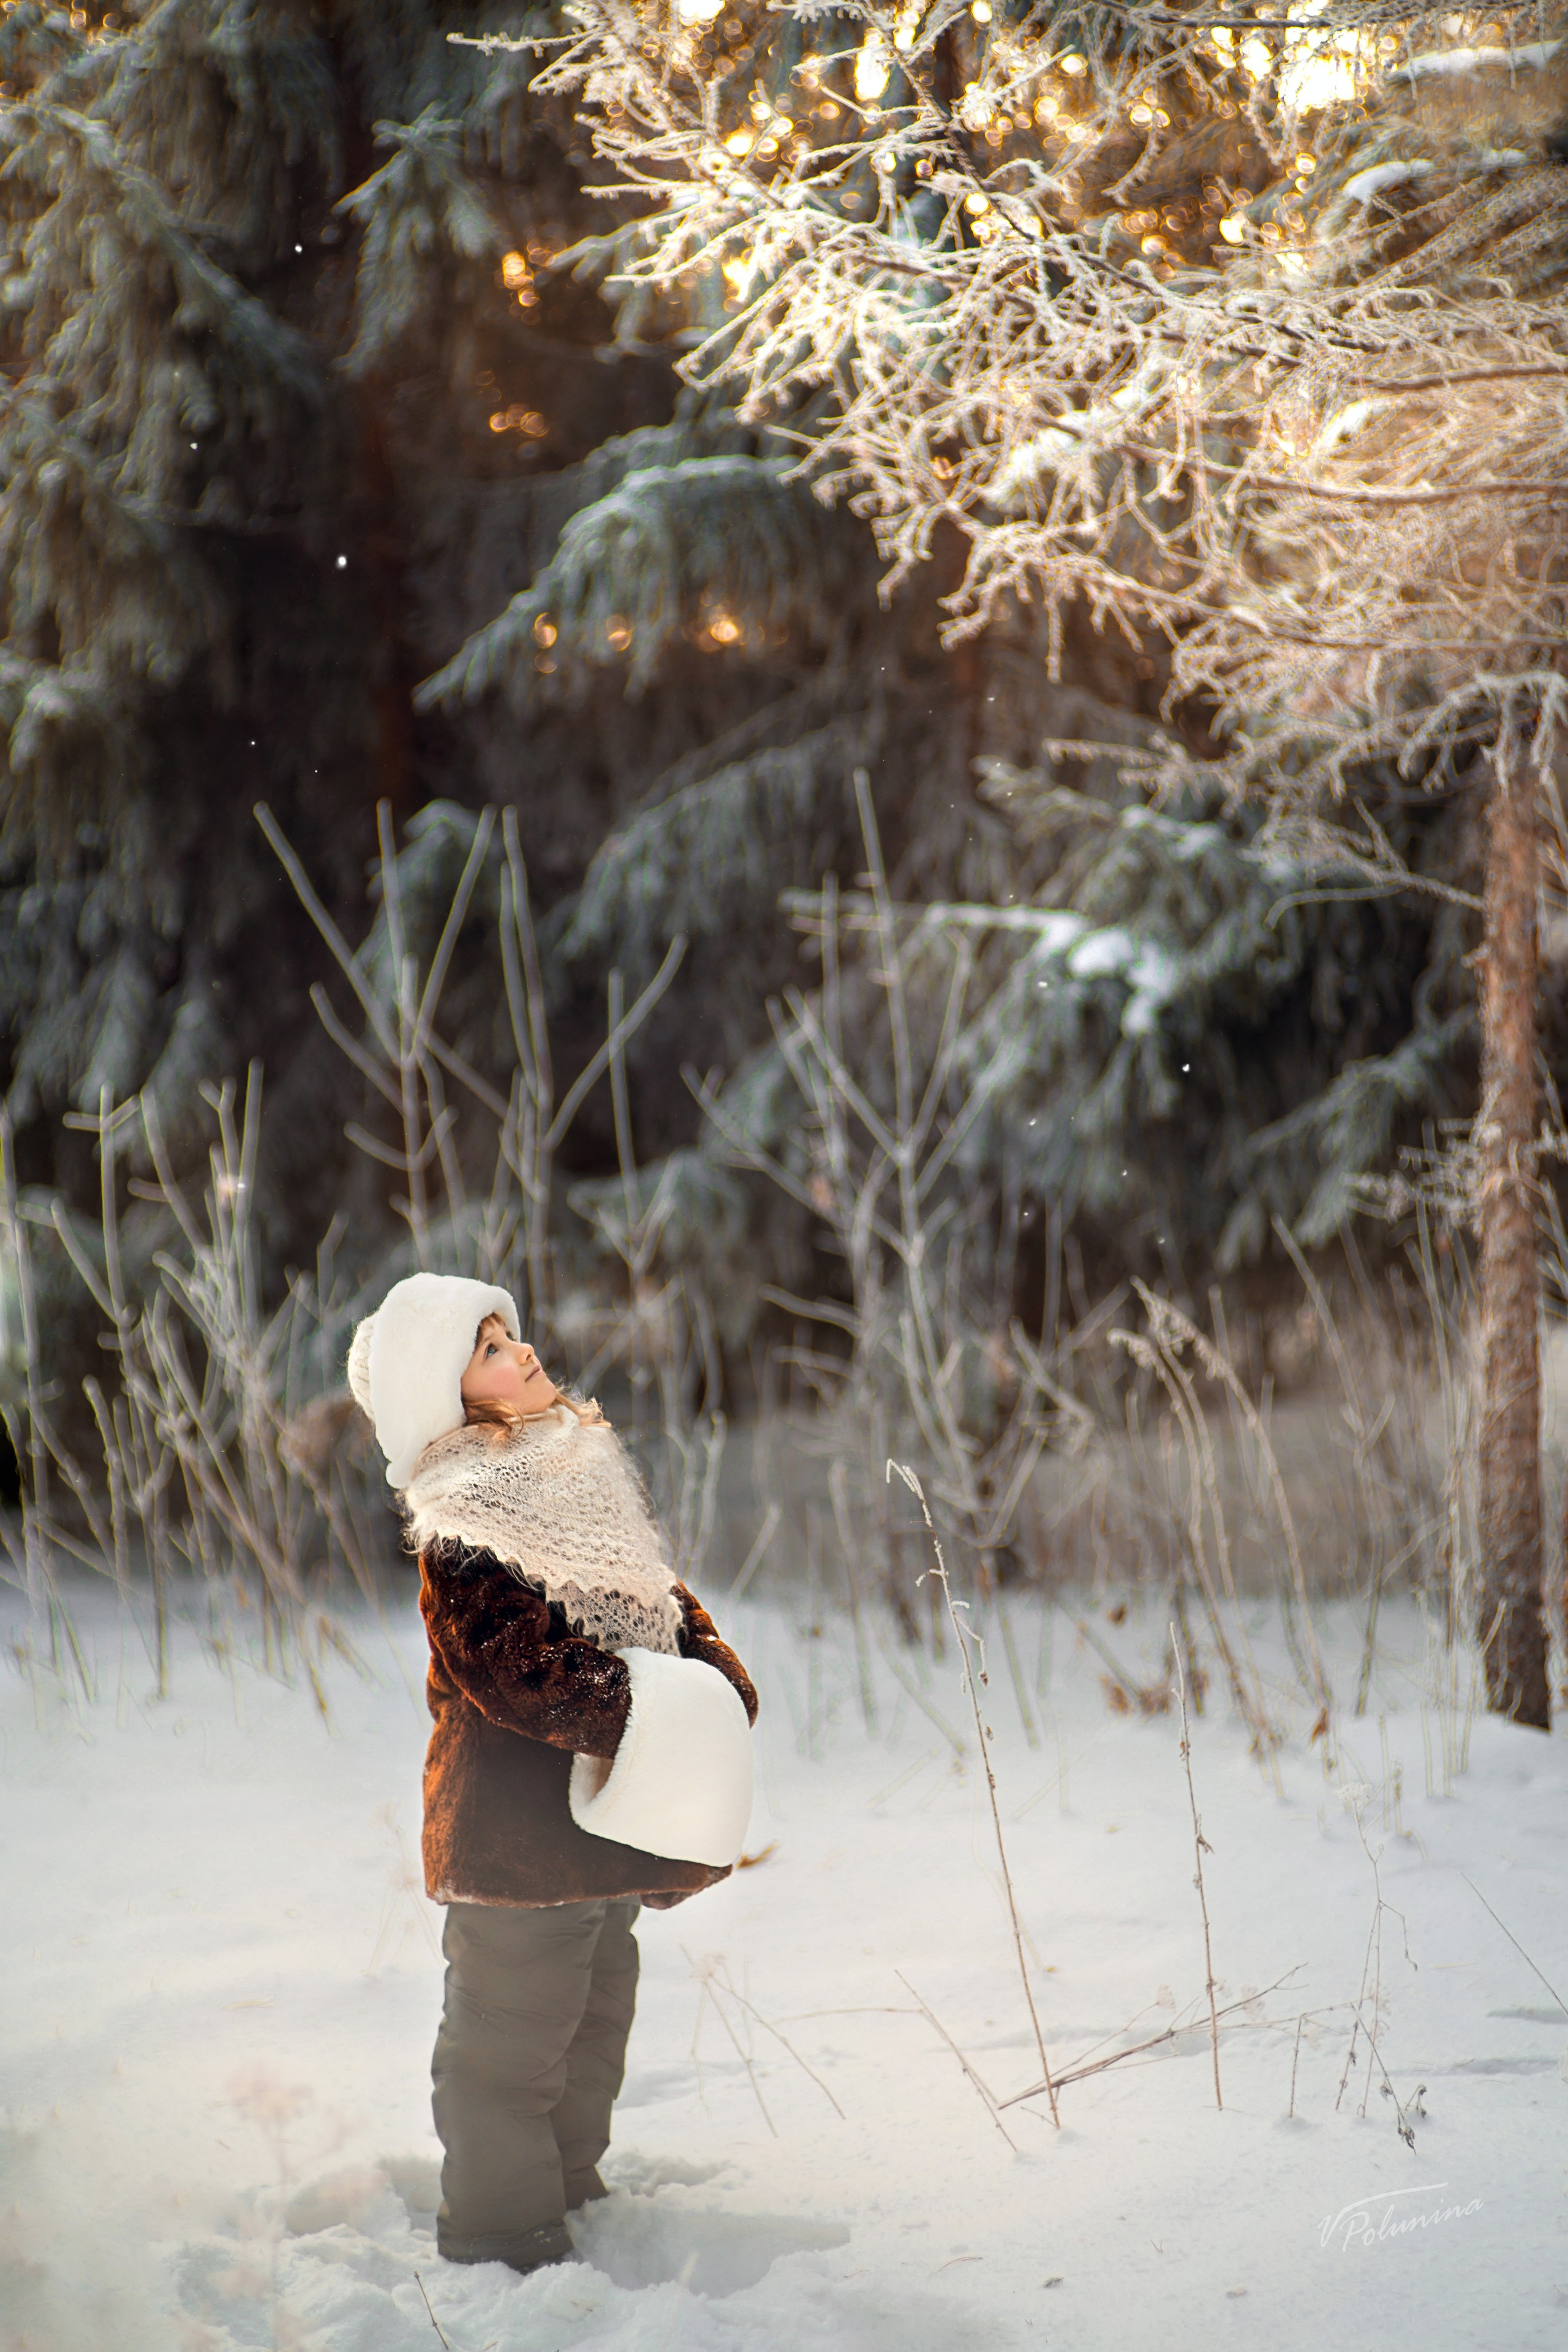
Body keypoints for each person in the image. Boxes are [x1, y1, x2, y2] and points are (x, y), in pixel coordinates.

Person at [346, 1272, 759, 2278]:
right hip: (514, 1842)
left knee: (592, 2025)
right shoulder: (464, 1520)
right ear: (450, 1398)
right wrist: (649, 1714)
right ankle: (501, 2238)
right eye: (488, 1350)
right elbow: (512, 1669)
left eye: (509, 1335)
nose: (521, 1350)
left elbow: (659, 1601)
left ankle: (569, 2191)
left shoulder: (576, 1477)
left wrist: (713, 1682)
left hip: (604, 1824)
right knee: (506, 2047)